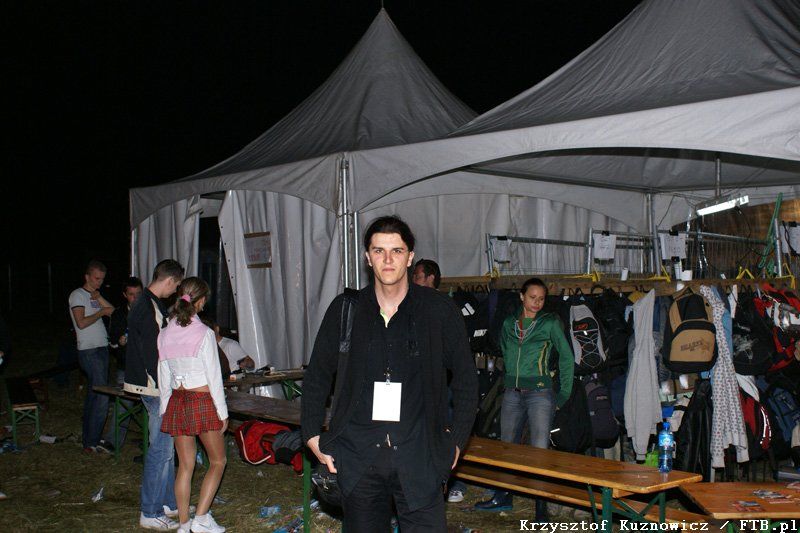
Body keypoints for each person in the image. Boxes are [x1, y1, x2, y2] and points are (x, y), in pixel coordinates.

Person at [302, 216, 478, 532]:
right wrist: (312, 435)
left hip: (420, 454)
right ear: (367, 258)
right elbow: (317, 374)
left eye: (396, 251)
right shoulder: (346, 309)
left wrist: (456, 442)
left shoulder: (438, 310)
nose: (387, 259)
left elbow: (466, 378)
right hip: (358, 456)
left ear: (410, 257)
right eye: (378, 251)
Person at [474, 277, 573, 521]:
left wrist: (563, 394)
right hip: (512, 392)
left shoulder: (550, 322)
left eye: (541, 299)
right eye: (532, 297)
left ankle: (541, 508)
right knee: (507, 446)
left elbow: (566, 357)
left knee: (539, 451)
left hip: (540, 393)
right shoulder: (509, 323)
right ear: (521, 296)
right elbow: (505, 352)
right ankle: (503, 496)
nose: (537, 302)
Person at [158, 278, 228, 533]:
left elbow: (163, 375)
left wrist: (164, 409)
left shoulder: (165, 333)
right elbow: (214, 377)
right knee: (218, 461)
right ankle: (200, 519)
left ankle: (184, 525)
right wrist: (223, 413)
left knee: (185, 466)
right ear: (202, 301)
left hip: (177, 401)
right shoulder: (204, 333)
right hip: (201, 401)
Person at [125, 259, 184, 530]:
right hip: (154, 387)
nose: (175, 291)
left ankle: (168, 503)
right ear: (170, 280)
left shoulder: (150, 303)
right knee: (160, 450)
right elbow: (152, 353)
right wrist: (167, 385)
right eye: (176, 285)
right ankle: (149, 512)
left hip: (154, 385)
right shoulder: (147, 307)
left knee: (166, 448)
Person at [411, 258, 469, 503]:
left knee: (443, 433)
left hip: (442, 382)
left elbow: (455, 353)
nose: (414, 280)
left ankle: (451, 482)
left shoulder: (444, 307)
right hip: (418, 384)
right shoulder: (411, 304)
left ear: (430, 278)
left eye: (417, 276)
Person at [68, 260, 115, 453]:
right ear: (87, 277)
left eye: (102, 279)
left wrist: (100, 299)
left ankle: (89, 439)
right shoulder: (77, 295)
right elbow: (81, 322)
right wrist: (100, 312)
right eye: (96, 278)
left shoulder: (95, 295)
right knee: (102, 395)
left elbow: (114, 313)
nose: (99, 282)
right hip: (89, 351)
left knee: (94, 395)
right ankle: (92, 441)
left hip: (102, 348)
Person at [108, 277, 143, 449]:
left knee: (153, 408)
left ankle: (149, 442)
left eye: (138, 294)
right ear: (124, 295)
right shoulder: (119, 314)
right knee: (124, 404)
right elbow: (112, 343)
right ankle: (113, 442)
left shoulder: (149, 312)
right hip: (126, 367)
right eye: (131, 294)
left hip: (146, 369)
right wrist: (119, 341)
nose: (135, 298)